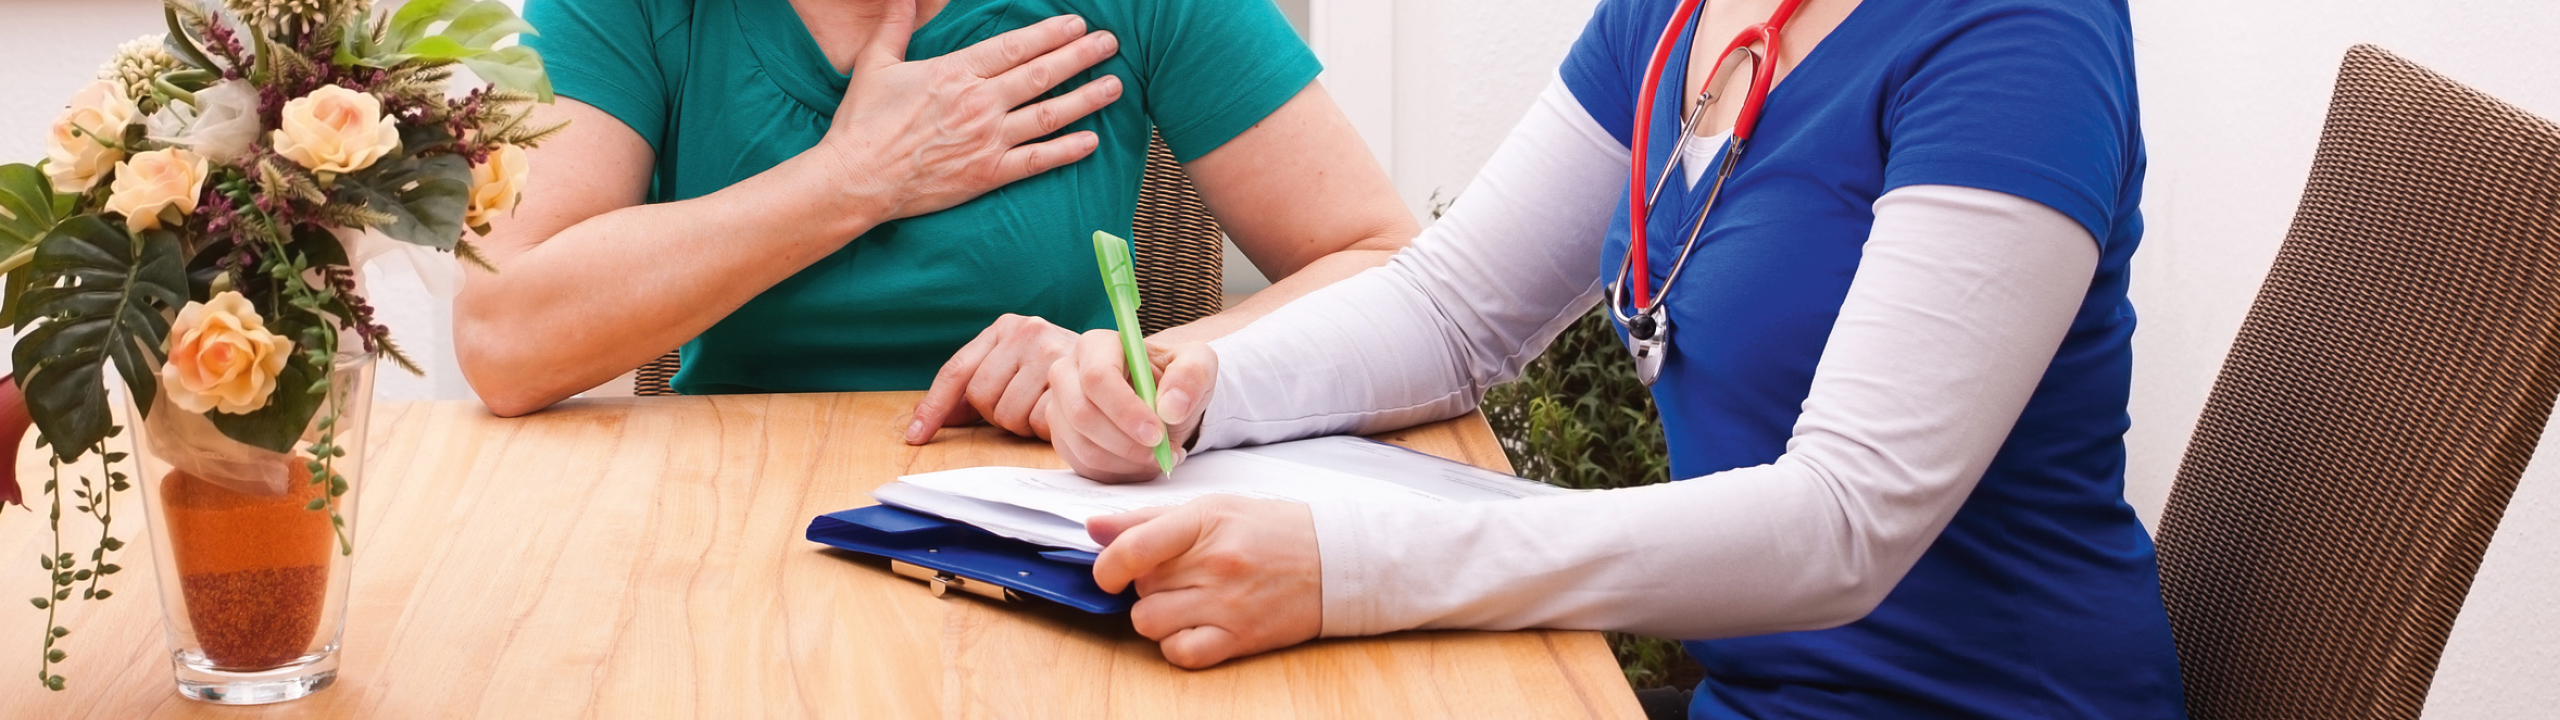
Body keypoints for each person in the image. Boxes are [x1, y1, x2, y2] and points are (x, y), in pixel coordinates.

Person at [1042, 0, 2187, 717]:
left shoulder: (2022, 34)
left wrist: (1356, 564)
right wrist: (1201, 391)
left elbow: (1848, 519)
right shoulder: (1676, 16)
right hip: (1758, 692)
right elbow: (1453, 307)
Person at [453, 0, 1414, 425]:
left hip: (1067, 516)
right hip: (717, 526)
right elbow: (506, 335)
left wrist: (1143, 364)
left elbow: (1386, 262)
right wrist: (855, 179)